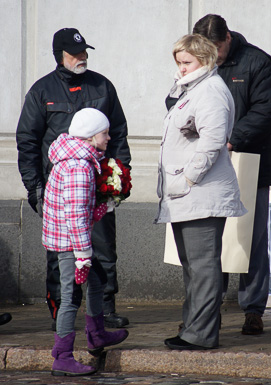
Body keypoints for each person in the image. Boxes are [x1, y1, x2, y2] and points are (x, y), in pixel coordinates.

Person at [16, 28, 131, 329]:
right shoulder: (42, 91)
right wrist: (34, 187)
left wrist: (120, 177)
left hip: (98, 187)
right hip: (57, 190)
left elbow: (117, 133)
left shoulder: (102, 86)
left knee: (103, 249)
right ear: (60, 56)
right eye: (75, 54)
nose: (82, 58)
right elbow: (27, 140)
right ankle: (61, 313)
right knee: (61, 255)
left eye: (84, 52)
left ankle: (104, 311)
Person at [192, 14, 271, 335]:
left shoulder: (256, 62)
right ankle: (205, 310)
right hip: (208, 167)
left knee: (250, 241)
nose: (212, 56)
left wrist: (231, 139)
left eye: (215, 47)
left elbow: (268, 112)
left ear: (227, 37)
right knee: (208, 242)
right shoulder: (197, 61)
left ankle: (253, 309)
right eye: (206, 49)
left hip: (249, 164)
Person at [156, 34, 247, 350]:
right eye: (178, 62)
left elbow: (212, 142)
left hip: (201, 194)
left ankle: (201, 334)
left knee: (204, 267)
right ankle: (192, 329)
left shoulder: (210, 91)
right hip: (188, 195)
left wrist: (188, 179)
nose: (181, 69)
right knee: (193, 266)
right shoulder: (192, 89)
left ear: (205, 60)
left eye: (187, 62)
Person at [43, 108, 128, 376]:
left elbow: (79, 207)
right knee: (71, 297)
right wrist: (82, 255)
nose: (108, 137)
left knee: (97, 281)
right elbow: (76, 216)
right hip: (70, 243)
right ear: (90, 136)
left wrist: (103, 206)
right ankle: (63, 356)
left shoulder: (80, 157)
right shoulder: (79, 165)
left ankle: (97, 334)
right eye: (104, 133)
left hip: (71, 238)